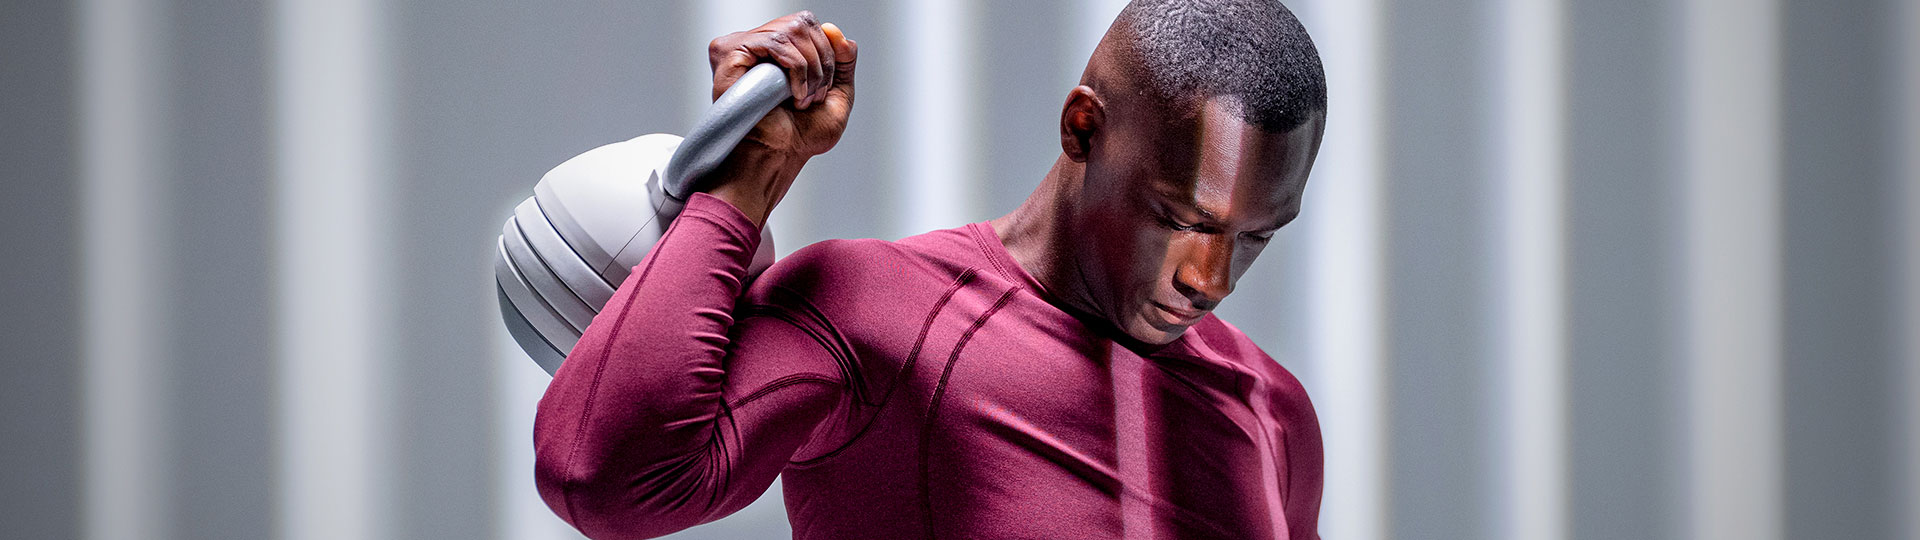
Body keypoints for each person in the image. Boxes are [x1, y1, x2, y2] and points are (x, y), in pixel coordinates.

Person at [533, 1, 1328, 538]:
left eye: (1254, 237)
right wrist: (746, 181)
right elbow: (599, 475)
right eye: (1181, 219)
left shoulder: (1273, 414)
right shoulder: (882, 314)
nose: (1212, 279)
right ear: (1084, 128)